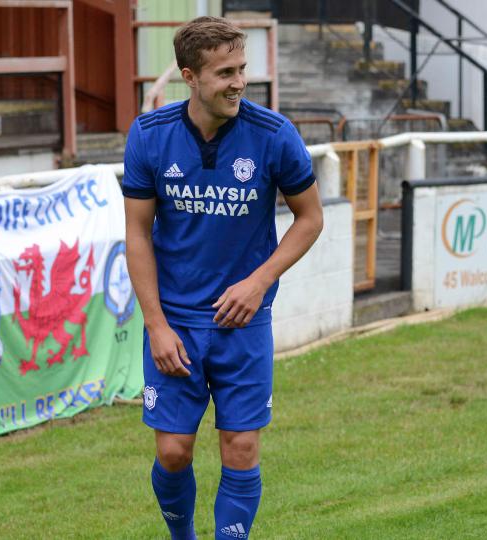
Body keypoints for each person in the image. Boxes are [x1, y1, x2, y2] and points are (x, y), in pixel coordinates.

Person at [122, 16, 323, 540]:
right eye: (224, 72)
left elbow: (310, 218)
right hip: (176, 324)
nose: (239, 82)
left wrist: (259, 282)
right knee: (172, 452)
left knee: (241, 447)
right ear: (190, 76)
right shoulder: (149, 136)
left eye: (242, 68)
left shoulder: (274, 136)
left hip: (243, 323)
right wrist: (156, 326)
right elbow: (138, 236)